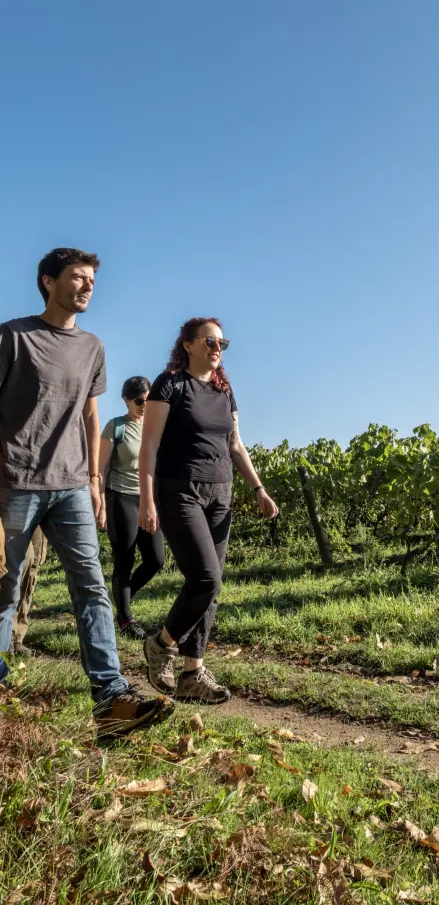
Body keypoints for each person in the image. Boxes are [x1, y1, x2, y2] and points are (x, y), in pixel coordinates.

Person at [0, 247, 172, 734]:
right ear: (48, 281)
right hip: (13, 484)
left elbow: (90, 416)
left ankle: (111, 699)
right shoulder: (13, 337)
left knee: (92, 587)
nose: (88, 285)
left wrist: (95, 482)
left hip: (72, 485)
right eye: (78, 277)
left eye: (92, 279)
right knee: (4, 587)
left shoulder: (93, 347)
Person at [138, 316, 278, 704]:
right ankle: (161, 644)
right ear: (188, 345)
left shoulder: (224, 390)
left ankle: (192, 674)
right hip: (179, 491)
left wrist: (259, 489)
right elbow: (149, 445)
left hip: (221, 493)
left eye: (222, 343)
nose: (218, 349)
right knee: (206, 579)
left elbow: (235, 444)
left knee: (210, 588)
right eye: (210, 342)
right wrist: (146, 499)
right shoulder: (170, 384)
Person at [98, 376, 164, 638]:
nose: (144, 405)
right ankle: (125, 620)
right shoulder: (116, 427)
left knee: (156, 560)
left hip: (148, 500)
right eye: (139, 401)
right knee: (124, 559)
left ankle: (120, 600)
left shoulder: (155, 427)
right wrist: (100, 503)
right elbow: (101, 469)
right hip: (121, 497)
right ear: (126, 400)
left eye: (148, 400)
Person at [11, 526, 48, 655]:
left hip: (41, 519)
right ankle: (7, 635)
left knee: (33, 570)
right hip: (14, 516)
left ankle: (17, 637)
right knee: (15, 567)